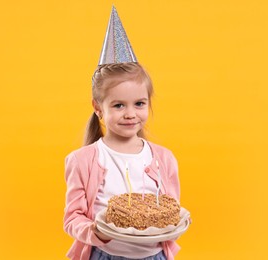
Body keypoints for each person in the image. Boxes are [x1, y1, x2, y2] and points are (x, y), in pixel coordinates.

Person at [63, 6, 184, 260]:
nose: (130, 114)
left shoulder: (164, 159)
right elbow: (72, 218)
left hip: (154, 256)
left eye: (139, 104)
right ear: (98, 108)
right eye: (119, 105)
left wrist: (171, 229)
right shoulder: (82, 160)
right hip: (105, 254)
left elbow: (172, 214)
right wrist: (95, 231)